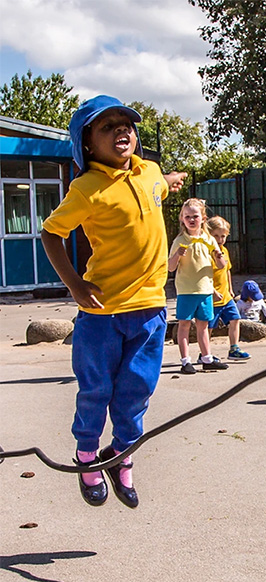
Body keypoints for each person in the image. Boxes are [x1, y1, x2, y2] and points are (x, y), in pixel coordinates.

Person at [40, 95, 187, 508]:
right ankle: (87, 455)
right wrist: (73, 283)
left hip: (150, 310)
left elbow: (159, 183)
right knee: (96, 391)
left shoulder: (150, 172)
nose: (122, 130)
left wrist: (172, 178)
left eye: (126, 124)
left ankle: (120, 455)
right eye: (108, 127)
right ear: (87, 143)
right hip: (101, 313)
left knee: (138, 389)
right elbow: (51, 234)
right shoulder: (86, 189)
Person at [168, 198, 229, 374]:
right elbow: (171, 267)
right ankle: (185, 360)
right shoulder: (179, 240)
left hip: (205, 290)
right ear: (182, 218)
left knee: (203, 325)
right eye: (187, 216)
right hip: (186, 290)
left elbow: (222, 266)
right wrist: (177, 255)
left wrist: (218, 255)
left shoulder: (208, 239)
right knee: (184, 325)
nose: (191, 220)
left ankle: (207, 358)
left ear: (203, 217)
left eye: (195, 216)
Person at [207, 215, 250, 360]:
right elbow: (203, 276)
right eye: (216, 236)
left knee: (235, 319)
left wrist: (230, 289)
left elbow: (227, 270)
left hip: (225, 296)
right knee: (209, 327)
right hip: (211, 298)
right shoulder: (206, 253)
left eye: (223, 236)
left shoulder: (224, 251)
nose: (220, 239)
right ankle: (205, 352)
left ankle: (234, 348)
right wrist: (212, 291)